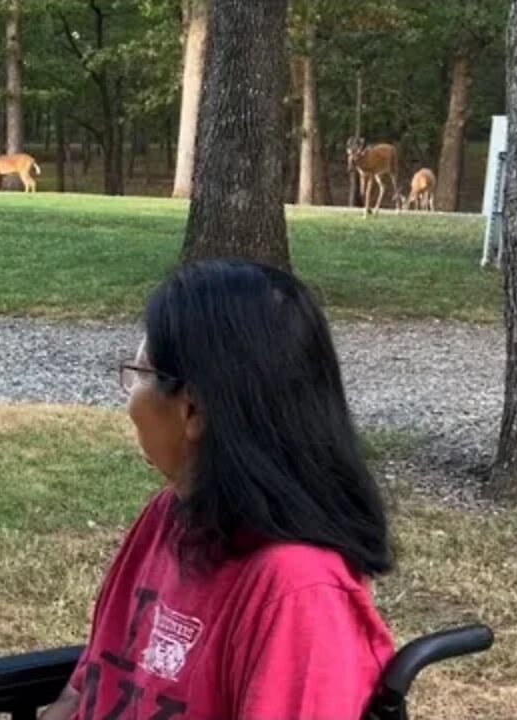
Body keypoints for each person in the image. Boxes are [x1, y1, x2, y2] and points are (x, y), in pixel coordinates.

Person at [41, 260, 395, 720]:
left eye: (139, 373)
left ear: (192, 410)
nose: (129, 398)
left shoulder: (298, 593)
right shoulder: (170, 515)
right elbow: (86, 690)